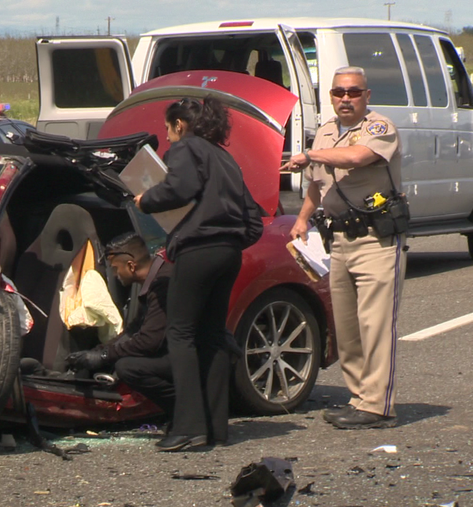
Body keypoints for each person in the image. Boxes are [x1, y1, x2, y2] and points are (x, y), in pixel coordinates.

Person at [133, 97, 263, 452]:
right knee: (212, 336)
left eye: (168, 127)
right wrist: (229, 239)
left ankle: (189, 427)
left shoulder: (186, 148)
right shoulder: (226, 158)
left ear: (180, 125)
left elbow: (179, 189)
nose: (167, 135)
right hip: (228, 254)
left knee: (180, 334)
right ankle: (216, 428)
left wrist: (146, 200)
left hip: (196, 252)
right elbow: (253, 220)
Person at [281, 66, 405, 429]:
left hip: (377, 240)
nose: (345, 99)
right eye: (338, 93)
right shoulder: (325, 132)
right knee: (347, 328)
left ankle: (379, 406)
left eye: (353, 92)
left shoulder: (379, 127)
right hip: (340, 241)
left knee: (376, 325)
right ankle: (359, 399)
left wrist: (312, 156)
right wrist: (302, 219)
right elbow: (317, 188)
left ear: (367, 96)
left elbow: (356, 158)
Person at [65, 232, 174, 404]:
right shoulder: (151, 281)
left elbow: (149, 341)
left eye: (115, 268)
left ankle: (182, 407)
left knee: (127, 368)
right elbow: (133, 331)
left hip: (193, 358)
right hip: (172, 352)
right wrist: (98, 351)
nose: (115, 275)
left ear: (131, 266)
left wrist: (104, 357)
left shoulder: (163, 283)